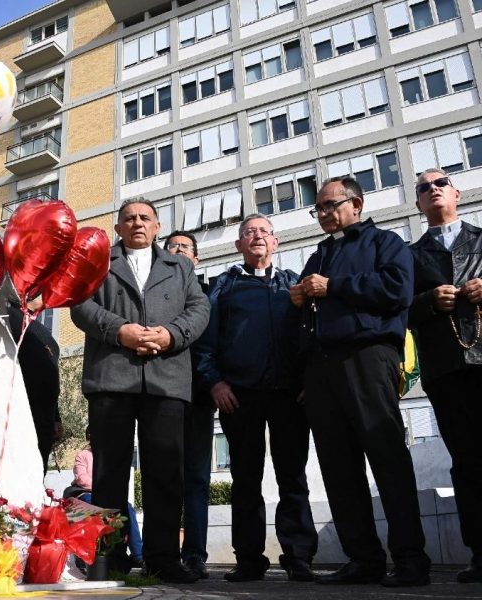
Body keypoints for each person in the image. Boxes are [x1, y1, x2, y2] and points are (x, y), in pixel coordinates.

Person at [290, 176, 430, 587]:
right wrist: (300, 300)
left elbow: (398, 290)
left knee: (387, 459)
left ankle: (409, 559)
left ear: (357, 203)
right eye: (318, 209)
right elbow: (305, 317)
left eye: (331, 205)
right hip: (321, 370)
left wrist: (334, 287)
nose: (324, 215)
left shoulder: (384, 243)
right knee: (337, 467)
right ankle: (362, 558)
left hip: (368, 358)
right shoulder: (318, 255)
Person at [70, 198, 210, 583]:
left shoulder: (180, 266)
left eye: (144, 218)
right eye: (128, 218)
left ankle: (163, 559)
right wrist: (121, 331)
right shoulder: (100, 261)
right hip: (112, 377)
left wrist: (170, 335)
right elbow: (80, 305)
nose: (137, 223)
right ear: (117, 228)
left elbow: (199, 310)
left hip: (167, 380)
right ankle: (109, 559)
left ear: (158, 226)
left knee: (166, 473)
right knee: (109, 473)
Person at [195, 214, 317, 582]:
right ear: (238, 246)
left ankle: (299, 556)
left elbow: (312, 334)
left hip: (290, 395)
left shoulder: (293, 285)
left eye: (264, 232)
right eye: (249, 232)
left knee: (292, 477)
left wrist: (309, 379)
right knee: (245, 478)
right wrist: (215, 382)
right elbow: (205, 342)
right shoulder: (223, 287)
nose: (257, 237)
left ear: (276, 242)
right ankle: (249, 558)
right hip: (239, 396)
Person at [408, 169, 482, 583]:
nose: (433, 189)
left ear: (457, 192)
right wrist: (427, 301)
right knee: (467, 460)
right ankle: (479, 551)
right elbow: (397, 309)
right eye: (424, 188)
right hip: (446, 367)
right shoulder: (411, 254)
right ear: (418, 203)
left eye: (441, 183)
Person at [162, 230, 213, 580]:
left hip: (198, 398)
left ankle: (194, 553)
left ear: (196, 259)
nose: (179, 250)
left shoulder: (210, 295)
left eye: (186, 247)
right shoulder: (155, 295)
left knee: (196, 478)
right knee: (163, 477)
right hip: (162, 398)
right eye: (173, 246)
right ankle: (162, 553)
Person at [70, 426, 143, 566]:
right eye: (91, 434)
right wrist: (102, 487)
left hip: (107, 493)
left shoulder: (109, 457)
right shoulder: (83, 455)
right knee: (91, 504)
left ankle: (138, 555)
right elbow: (82, 479)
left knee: (127, 508)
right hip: (87, 494)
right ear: (88, 437)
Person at [7, 301, 62, 475]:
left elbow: (52, 374)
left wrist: (56, 417)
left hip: (45, 415)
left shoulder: (42, 330)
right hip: (21, 410)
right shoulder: (8, 315)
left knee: (39, 468)